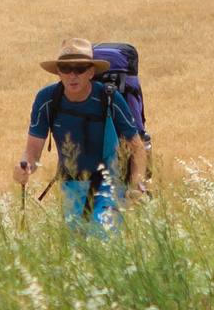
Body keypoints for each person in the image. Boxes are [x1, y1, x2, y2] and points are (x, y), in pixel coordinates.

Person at [13, 38, 150, 234]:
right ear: (58, 72)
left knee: (103, 242)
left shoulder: (109, 97)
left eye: (80, 68)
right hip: (70, 186)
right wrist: (22, 167)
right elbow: (32, 152)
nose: (72, 75)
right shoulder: (47, 99)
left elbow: (136, 146)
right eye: (66, 69)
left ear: (91, 72)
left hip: (109, 183)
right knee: (77, 252)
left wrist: (137, 182)